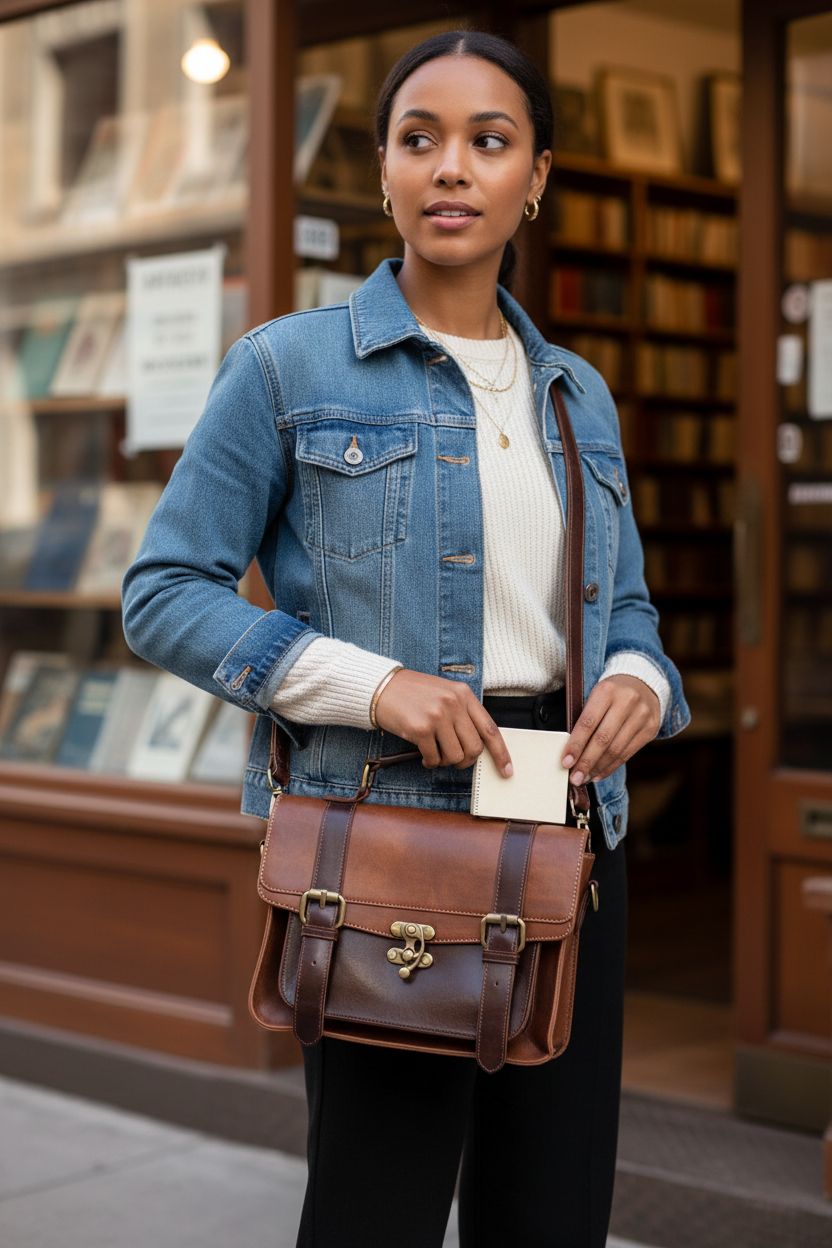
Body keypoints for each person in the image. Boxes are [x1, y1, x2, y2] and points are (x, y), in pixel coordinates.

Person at [122, 28, 690, 1248]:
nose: (451, 168)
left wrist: (642, 679)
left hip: (569, 829)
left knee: (549, 1210)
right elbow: (163, 589)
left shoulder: (575, 393)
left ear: (533, 178)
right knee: (374, 1209)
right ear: (381, 171)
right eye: (419, 139)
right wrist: (376, 687)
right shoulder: (285, 367)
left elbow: (624, 609)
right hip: (384, 835)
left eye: (489, 142)